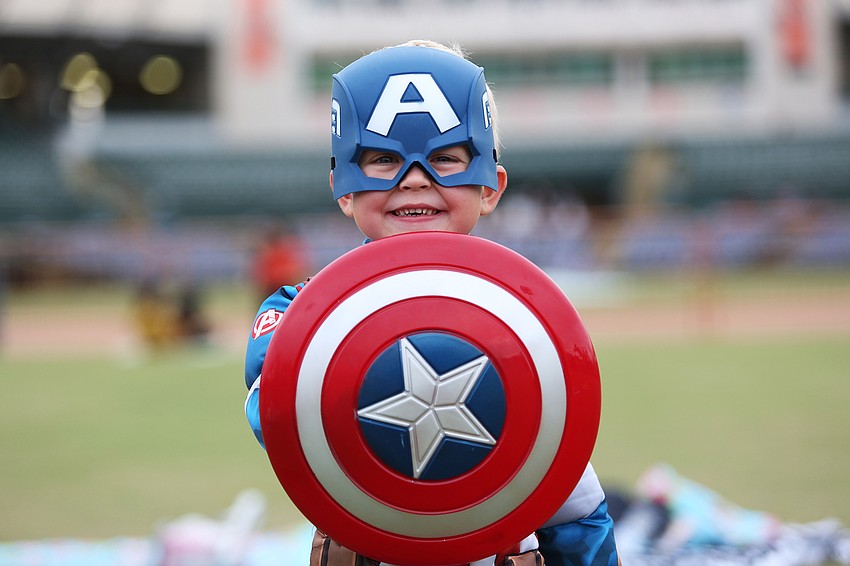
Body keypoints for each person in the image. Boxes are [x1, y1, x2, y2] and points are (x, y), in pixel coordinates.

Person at [243, 40, 620, 566]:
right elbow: (276, 411)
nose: (415, 178)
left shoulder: (530, 325)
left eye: (445, 158)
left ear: (491, 186)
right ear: (342, 187)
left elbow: (576, 512)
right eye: (382, 160)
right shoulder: (300, 314)